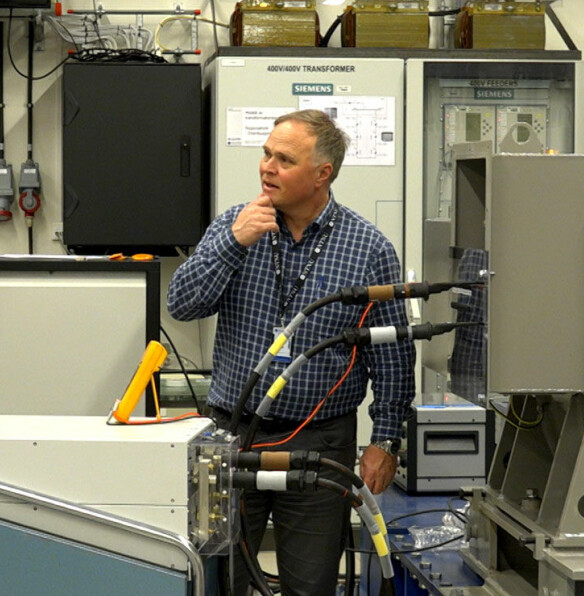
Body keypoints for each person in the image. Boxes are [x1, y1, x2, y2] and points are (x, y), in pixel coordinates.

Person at [167, 109, 414, 595]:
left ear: (322, 173)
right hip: (231, 438)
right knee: (217, 581)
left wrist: (385, 440)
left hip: (319, 444)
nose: (267, 167)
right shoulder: (235, 226)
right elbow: (182, 304)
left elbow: (392, 359)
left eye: (284, 158)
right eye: (266, 154)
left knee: (312, 584)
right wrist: (235, 243)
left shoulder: (368, 248)